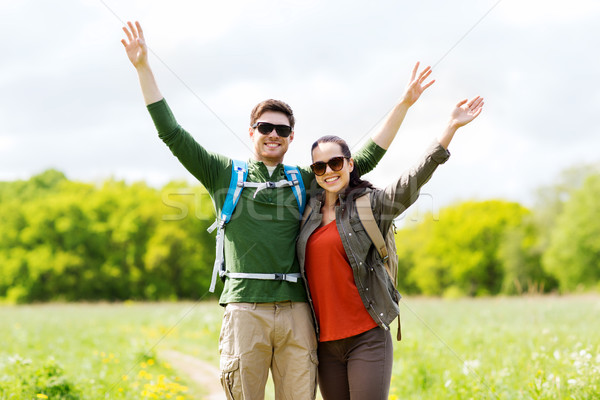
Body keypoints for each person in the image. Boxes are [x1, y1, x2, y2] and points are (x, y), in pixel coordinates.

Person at [120, 20, 435, 399]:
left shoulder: (307, 177)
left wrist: (403, 104)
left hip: (297, 312)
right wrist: (143, 69)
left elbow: (363, 157)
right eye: (265, 127)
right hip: (244, 309)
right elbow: (173, 133)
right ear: (251, 131)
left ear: (290, 139)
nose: (273, 134)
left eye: (282, 130)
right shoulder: (223, 173)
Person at [296, 96, 484, 399]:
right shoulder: (306, 213)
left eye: (335, 162)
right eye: (320, 166)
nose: (328, 170)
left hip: (367, 337)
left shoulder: (370, 204)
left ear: (350, 164)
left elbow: (411, 180)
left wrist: (449, 129)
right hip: (323, 342)